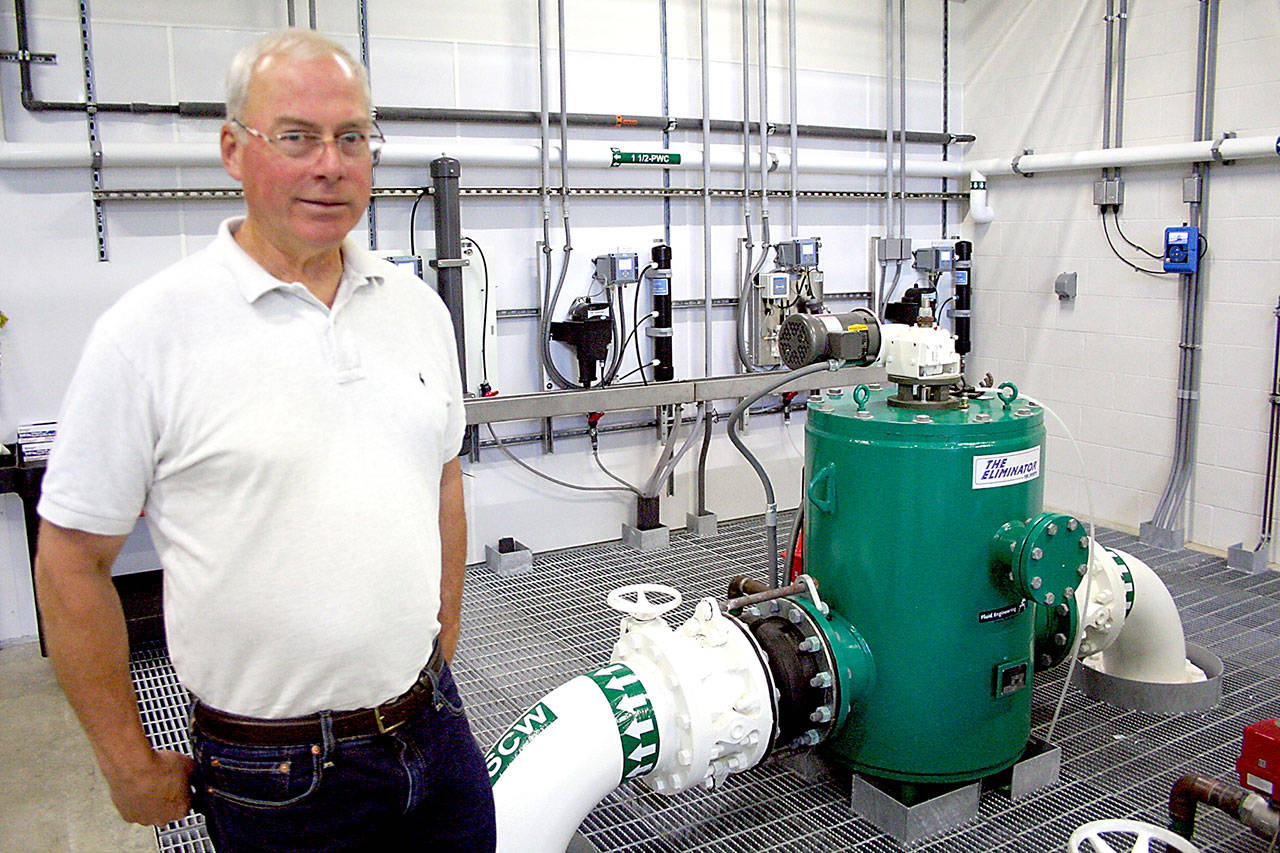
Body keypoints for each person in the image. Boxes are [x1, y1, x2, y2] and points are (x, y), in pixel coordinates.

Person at [34, 28, 495, 851]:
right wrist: (127, 762)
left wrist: (443, 634)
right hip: (276, 771)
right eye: (296, 137)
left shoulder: (417, 308)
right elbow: (70, 559)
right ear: (232, 150)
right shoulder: (148, 334)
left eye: (351, 137)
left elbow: (443, 474)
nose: (330, 164)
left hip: (435, 728)